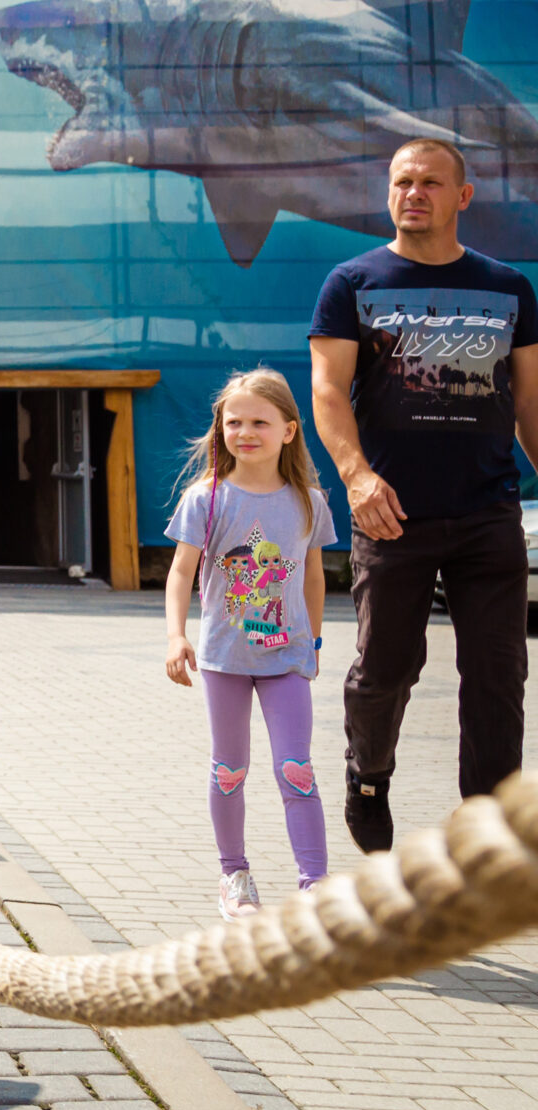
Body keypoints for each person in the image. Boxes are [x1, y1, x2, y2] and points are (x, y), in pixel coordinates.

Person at [309, 137, 538, 852]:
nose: (414, 193)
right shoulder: (352, 282)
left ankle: (487, 832)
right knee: (385, 671)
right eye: (403, 181)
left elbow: (531, 403)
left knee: (498, 675)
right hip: (391, 514)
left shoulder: (509, 288)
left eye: (431, 182)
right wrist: (357, 476)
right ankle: (367, 777)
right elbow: (327, 391)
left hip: (487, 510)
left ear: (462, 196)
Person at [162, 369, 334, 919]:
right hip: (225, 660)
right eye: (234, 422)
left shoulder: (309, 501)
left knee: (296, 769)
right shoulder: (205, 498)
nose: (245, 432)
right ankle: (234, 875)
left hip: (288, 658)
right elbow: (180, 572)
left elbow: (313, 576)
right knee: (229, 769)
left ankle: (316, 886)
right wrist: (176, 636)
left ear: (289, 430)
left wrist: (314, 640)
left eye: (260, 422)